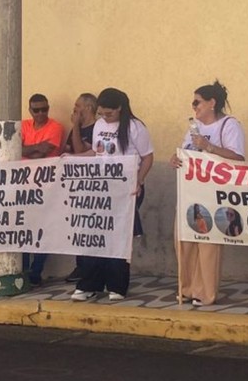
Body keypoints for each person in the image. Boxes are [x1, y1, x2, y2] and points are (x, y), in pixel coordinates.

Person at [70, 88, 154, 302]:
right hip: (99, 187)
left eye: (109, 114)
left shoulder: (136, 127)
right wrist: (74, 158)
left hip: (125, 188)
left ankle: (116, 284)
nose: (105, 118)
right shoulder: (99, 125)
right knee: (93, 234)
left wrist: (139, 179)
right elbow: (98, 154)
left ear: (120, 109)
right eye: (102, 114)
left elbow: (147, 158)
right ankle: (89, 283)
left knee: (118, 238)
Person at [170, 81, 246, 306]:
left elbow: (238, 158)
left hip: (214, 193)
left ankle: (205, 292)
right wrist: (177, 159)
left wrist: (209, 147)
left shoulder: (230, 125)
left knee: (208, 244)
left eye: (197, 102)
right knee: (183, 241)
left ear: (212, 103)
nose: (194, 107)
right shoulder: (194, 127)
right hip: (190, 192)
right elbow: (187, 153)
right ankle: (186, 288)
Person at [21, 93, 65, 284]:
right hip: (21, 185)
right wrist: (32, 149)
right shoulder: (22, 125)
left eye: (44, 109)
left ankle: (35, 272)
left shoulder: (55, 126)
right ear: (30, 110)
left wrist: (25, 149)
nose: (41, 113)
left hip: (46, 186)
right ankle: (22, 271)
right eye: (36, 110)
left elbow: (45, 151)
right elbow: (13, 148)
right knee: (22, 228)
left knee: (42, 230)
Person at [63, 93, 98, 283]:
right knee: (78, 226)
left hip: (92, 185)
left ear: (89, 108)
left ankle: (90, 267)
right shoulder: (74, 130)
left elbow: (79, 152)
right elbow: (69, 152)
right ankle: (80, 264)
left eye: (78, 106)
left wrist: (75, 126)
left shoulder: (96, 129)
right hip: (76, 185)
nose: (74, 109)